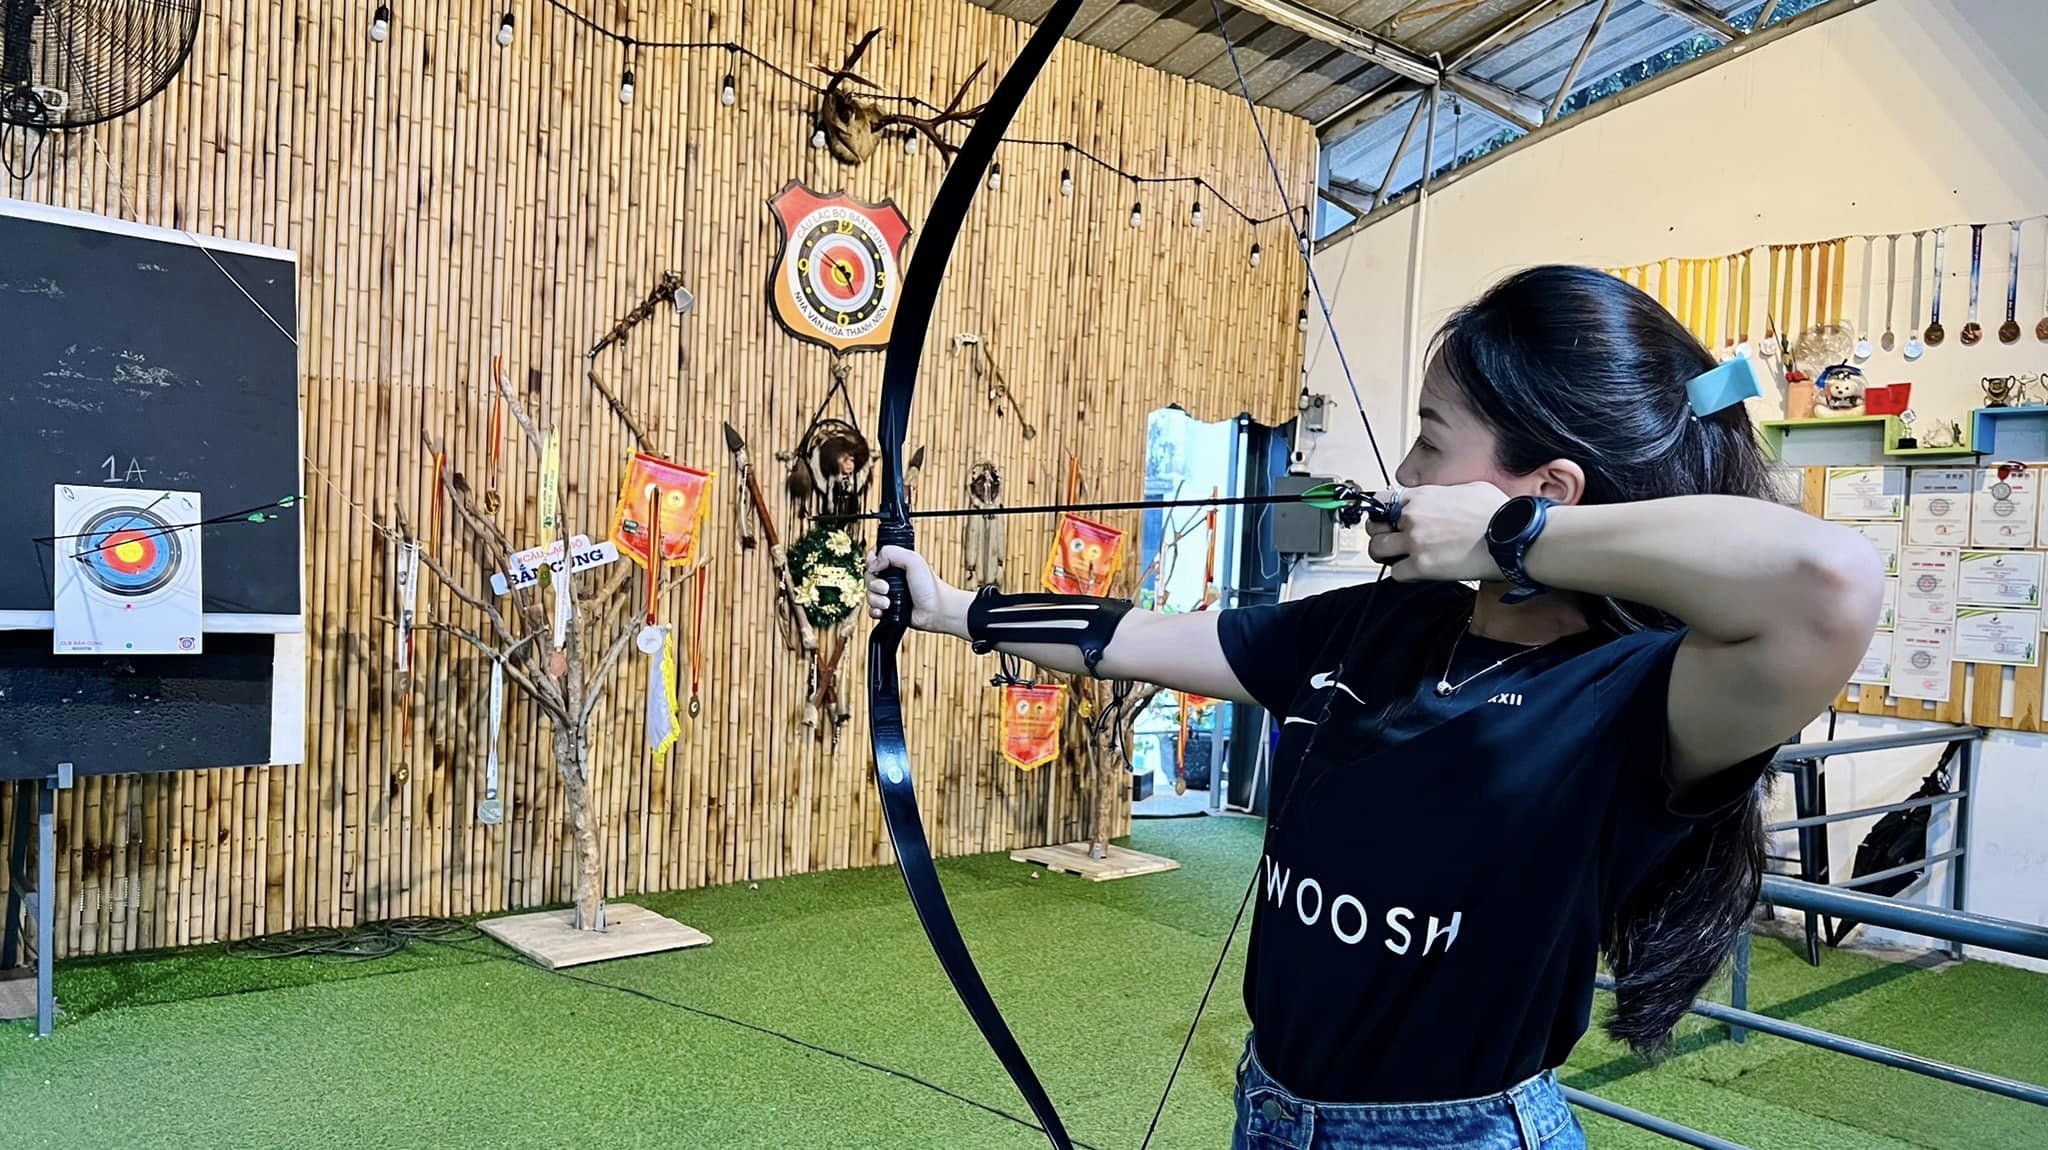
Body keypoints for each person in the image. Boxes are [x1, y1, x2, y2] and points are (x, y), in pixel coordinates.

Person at [866, 265, 1883, 1149]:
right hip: (1275, 1108)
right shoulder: (1383, 623)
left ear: (1545, 491)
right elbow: (1135, 636)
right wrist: (953, 609)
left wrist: (1515, 536)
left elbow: (1830, 584)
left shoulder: (1639, 695)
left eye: (1430, 444)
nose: (1403, 474)